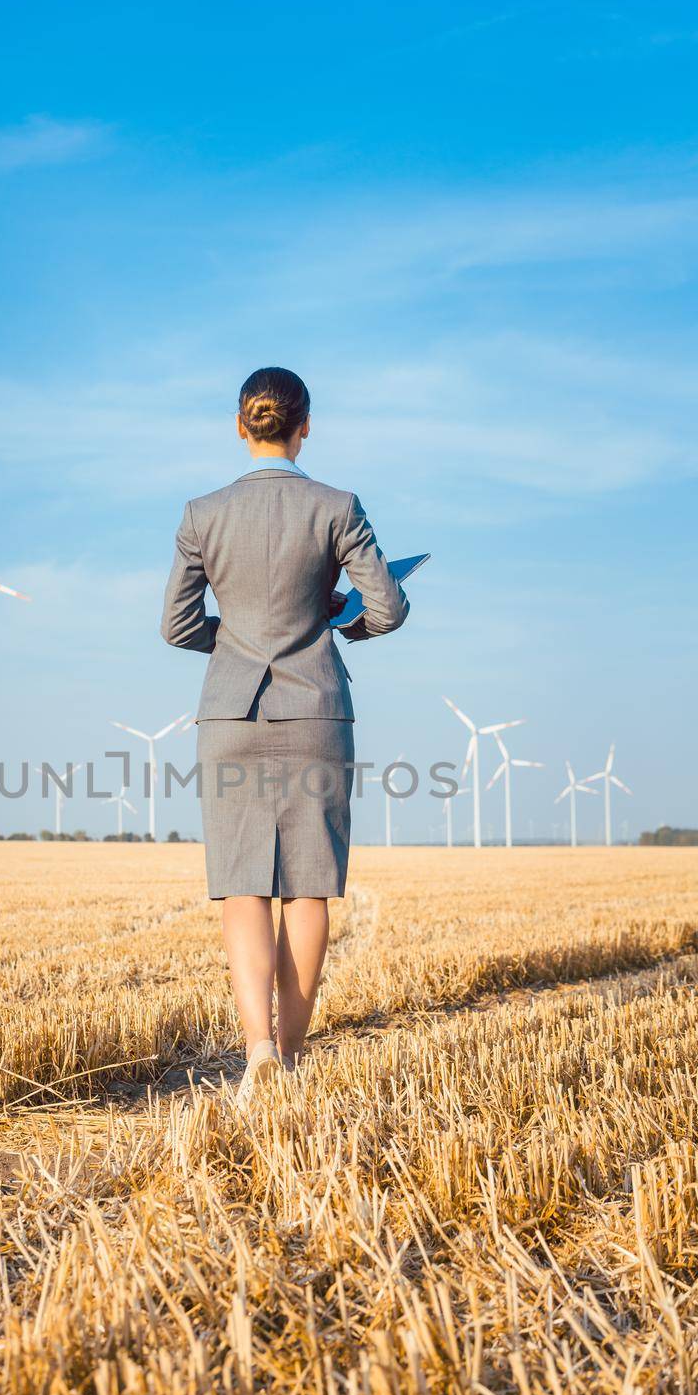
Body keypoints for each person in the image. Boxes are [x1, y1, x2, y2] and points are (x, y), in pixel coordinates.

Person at [161, 367, 408, 1102]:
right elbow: (387, 609)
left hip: (229, 717)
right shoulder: (336, 506)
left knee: (244, 888)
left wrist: (238, 644)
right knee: (307, 890)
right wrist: (336, 625)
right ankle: (292, 1064)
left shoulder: (201, 513)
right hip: (314, 714)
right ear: (305, 426)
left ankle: (257, 1053)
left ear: (241, 426)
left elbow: (175, 627)